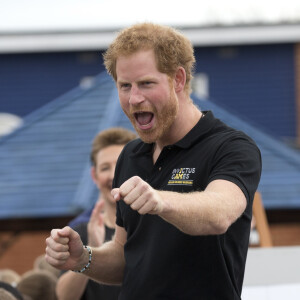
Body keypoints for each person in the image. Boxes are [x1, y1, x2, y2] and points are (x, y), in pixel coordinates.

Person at [45, 23, 262, 299]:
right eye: (125, 86)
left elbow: (220, 213)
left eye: (146, 83)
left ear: (178, 80)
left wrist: (162, 201)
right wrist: (83, 259)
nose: (134, 98)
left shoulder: (230, 146)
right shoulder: (130, 155)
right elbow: (127, 259)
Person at [55, 127, 136, 300]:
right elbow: (65, 296)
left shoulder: (155, 226)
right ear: (94, 175)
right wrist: (89, 251)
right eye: (105, 167)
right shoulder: (78, 232)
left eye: (120, 165)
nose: (114, 175)